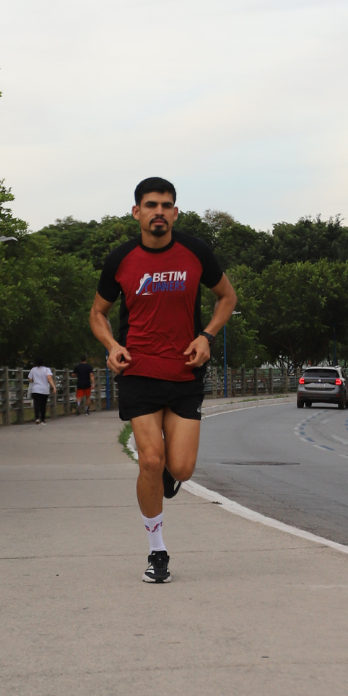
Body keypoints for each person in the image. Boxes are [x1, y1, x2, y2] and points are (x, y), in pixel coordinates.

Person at [90, 177, 238, 584]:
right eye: (151, 205)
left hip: (184, 371)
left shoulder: (196, 252)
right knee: (150, 460)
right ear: (136, 212)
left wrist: (207, 336)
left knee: (182, 469)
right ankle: (157, 552)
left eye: (166, 205)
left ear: (175, 213)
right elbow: (97, 313)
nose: (159, 211)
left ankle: (167, 476)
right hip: (138, 371)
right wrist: (112, 345)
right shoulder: (121, 259)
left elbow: (228, 296)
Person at [28, 358, 56, 424]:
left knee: (36, 404)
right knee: (43, 405)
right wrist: (54, 387)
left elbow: (30, 379)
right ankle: (43, 419)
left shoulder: (33, 369)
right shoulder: (47, 369)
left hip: (35, 389)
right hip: (44, 390)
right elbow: (49, 378)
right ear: (43, 362)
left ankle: (37, 418)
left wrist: (35, 380)